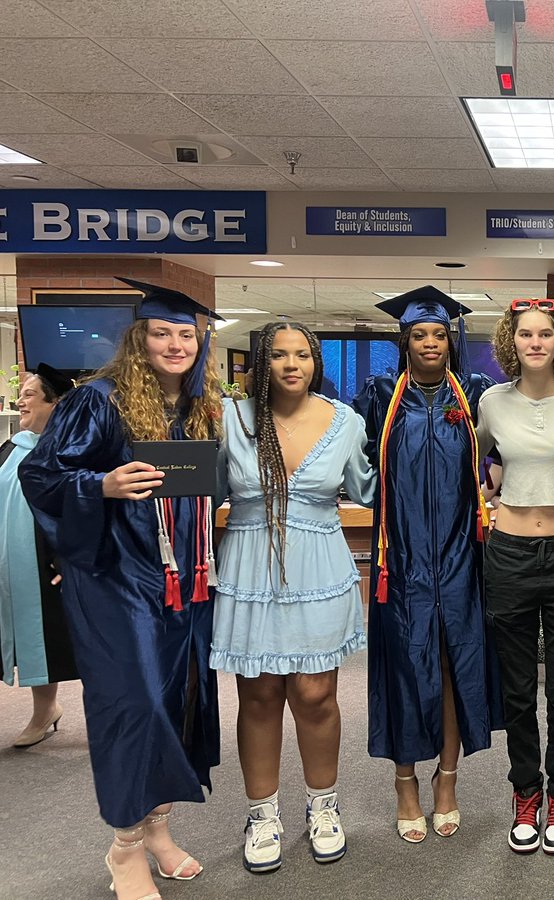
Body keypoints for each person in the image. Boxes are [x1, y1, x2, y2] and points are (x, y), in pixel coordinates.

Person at [21, 278, 224, 900]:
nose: (174, 344)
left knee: (178, 701)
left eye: (185, 334)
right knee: (134, 705)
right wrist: (100, 488)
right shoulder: (98, 402)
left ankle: (158, 828)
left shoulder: (201, 404)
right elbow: (42, 474)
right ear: (140, 339)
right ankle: (125, 848)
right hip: (117, 579)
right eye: (161, 333)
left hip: (186, 582)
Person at [212, 321, 375, 872]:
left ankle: (323, 806)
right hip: (251, 564)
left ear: (315, 361)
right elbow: (194, 492)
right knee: (257, 696)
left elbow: (369, 487)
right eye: (279, 355)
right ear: (261, 362)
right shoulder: (231, 419)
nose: (291, 364)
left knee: (314, 695)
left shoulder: (345, 421)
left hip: (318, 565)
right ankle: (262, 814)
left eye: (301, 354)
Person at [352, 286, 498, 845]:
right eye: (419, 335)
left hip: (462, 553)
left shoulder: (475, 393)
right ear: (404, 341)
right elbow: (358, 465)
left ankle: (448, 781)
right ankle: (405, 781)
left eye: (439, 334)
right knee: (403, 666)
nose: (430, 342)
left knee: (451, 665)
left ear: (449, 341)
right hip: (401, 555)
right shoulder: (381, 394)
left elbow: (504, 454)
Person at [476, 298, 554, 856]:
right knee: (520, 689)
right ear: (511, 340)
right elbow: (478, 461)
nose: (535, 343)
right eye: (525, 334)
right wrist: (487, 489)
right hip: (511, 553)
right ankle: (526, 793)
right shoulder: (491, 402)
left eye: (545, 333)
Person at [1, 364, 78, 747]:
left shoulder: (73, 450)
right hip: (13, 564)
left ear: (55, 403)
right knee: (34, 639)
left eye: (29, 394)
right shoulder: (12, 447)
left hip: (54, 563)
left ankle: (111, 721)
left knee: (69, 638)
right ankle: (44, 709)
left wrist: (69, 556)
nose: (20, 399)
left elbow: (80, 508)